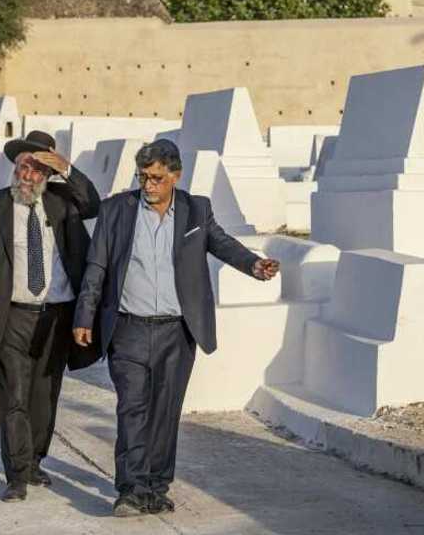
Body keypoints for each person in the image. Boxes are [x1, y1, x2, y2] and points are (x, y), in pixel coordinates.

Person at [72, 139, 280, 516]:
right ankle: (131, 489)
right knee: (132, 409)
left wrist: (253, 265)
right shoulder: (117, 209)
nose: (148, 185)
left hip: (177, 332)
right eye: (143, 177)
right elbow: (97, 265)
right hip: (128, 329)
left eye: (156, 178)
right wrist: (84, 316)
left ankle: (156, 485)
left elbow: (222, 244)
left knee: (166, 411)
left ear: (175, 175)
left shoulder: (195, 209)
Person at [0, 130, 101, 501]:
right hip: (10, 316)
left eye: (39, 168)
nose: (29, 174)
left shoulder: (62, 203)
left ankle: (35, 460)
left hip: (56, 316)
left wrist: (67, 169)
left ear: (48, 174)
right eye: (25, 165)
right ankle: (16, 475)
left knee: (45, 395)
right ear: (15, 166)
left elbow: (93, 205)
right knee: (14, 396)